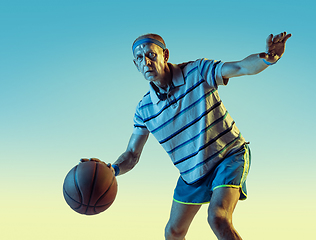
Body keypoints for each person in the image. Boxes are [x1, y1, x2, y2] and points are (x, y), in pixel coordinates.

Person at [82, 32, 291, 240]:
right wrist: (112, 170)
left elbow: (240, 67)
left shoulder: (197, 72)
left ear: (165, 54)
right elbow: (131, 154)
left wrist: (268, 58)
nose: (146, 62)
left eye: (151, 55)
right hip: (192, 173)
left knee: (218, 218)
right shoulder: (144, 110)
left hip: (228, 157)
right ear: (135, 65)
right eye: (139, 58)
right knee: (173, 233)